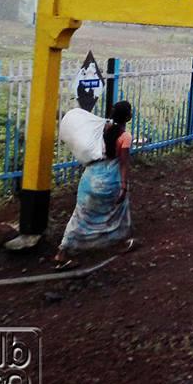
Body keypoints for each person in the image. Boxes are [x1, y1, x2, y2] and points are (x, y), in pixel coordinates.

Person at [55, 101, 135, 267]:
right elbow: (123, 163)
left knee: (80, 216)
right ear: (128, 117)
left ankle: (62, 252)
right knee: (118, 211)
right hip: (110, 180)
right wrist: (124, 186)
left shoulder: (101, 128)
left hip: (90, 178)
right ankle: (121, 241)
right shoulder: (125, 137)